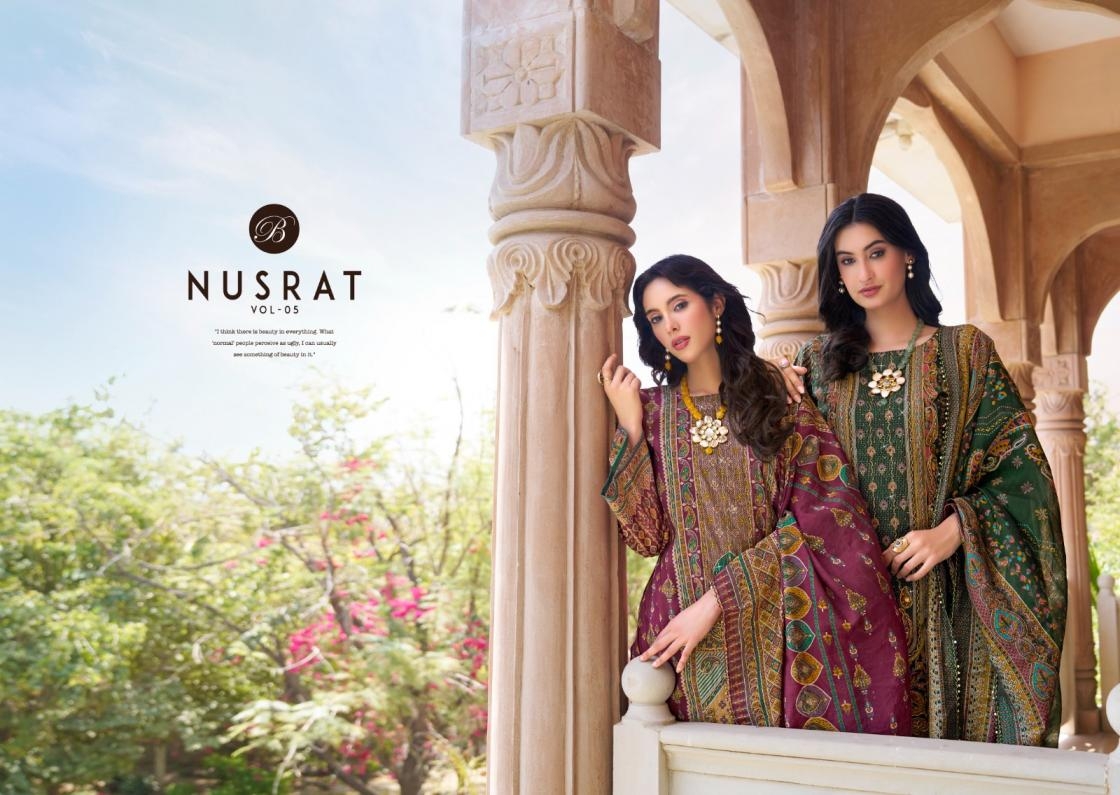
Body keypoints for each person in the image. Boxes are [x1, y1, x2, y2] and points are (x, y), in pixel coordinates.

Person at [777, 193, 1066, 745]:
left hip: (954, 605)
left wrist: (954, 531)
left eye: (876, 252)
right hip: (850, 606)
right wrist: (770, 380)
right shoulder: (817, 364)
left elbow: (1025, 475)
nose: (864, 273)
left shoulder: (965, 353)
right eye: (847, 260)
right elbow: (791, 487)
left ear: (907, 254)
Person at [599, 254, 910, 733]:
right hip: (676, 642)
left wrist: (717, 600)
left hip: (775, 637)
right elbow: (646, 538)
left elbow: (829, 518)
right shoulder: (652, 412)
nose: (669, 326)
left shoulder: (776, 400)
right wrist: (632, 430)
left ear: (716, 304)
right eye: (655, 317)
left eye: (679, 305)